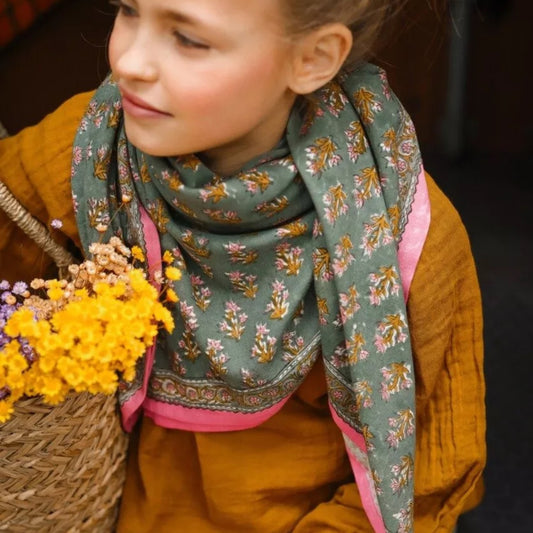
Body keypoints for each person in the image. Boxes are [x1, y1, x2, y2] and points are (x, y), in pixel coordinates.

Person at [0, 0, 485, 531]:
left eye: (189, 39)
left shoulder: (397, 230)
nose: (131, 62)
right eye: (128, 10)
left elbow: (426, 471)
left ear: (313, 59)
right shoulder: (95, 147)